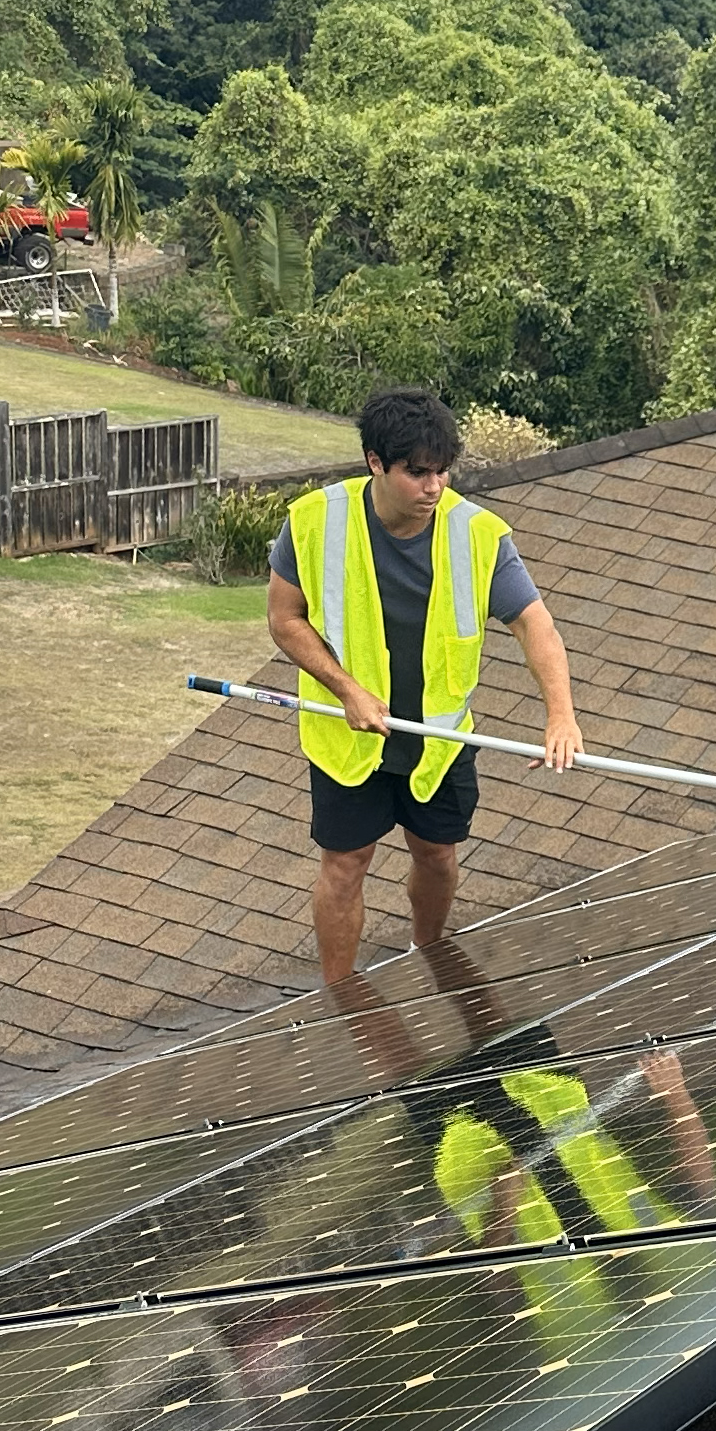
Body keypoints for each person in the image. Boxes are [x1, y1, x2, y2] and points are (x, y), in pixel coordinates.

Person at [266, 383, 583, 983]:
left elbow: (534, 624)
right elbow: (285, 620)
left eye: (442, 471)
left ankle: (428, 955)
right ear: (375, 463)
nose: (434, 487)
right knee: (345, 865)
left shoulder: (478, 535)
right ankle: (339, 996)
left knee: (437, 856)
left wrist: (561, 716)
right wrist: (347, 690)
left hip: (438, 741)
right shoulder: (313, 521)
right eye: (417, 473)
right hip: (348, 740)